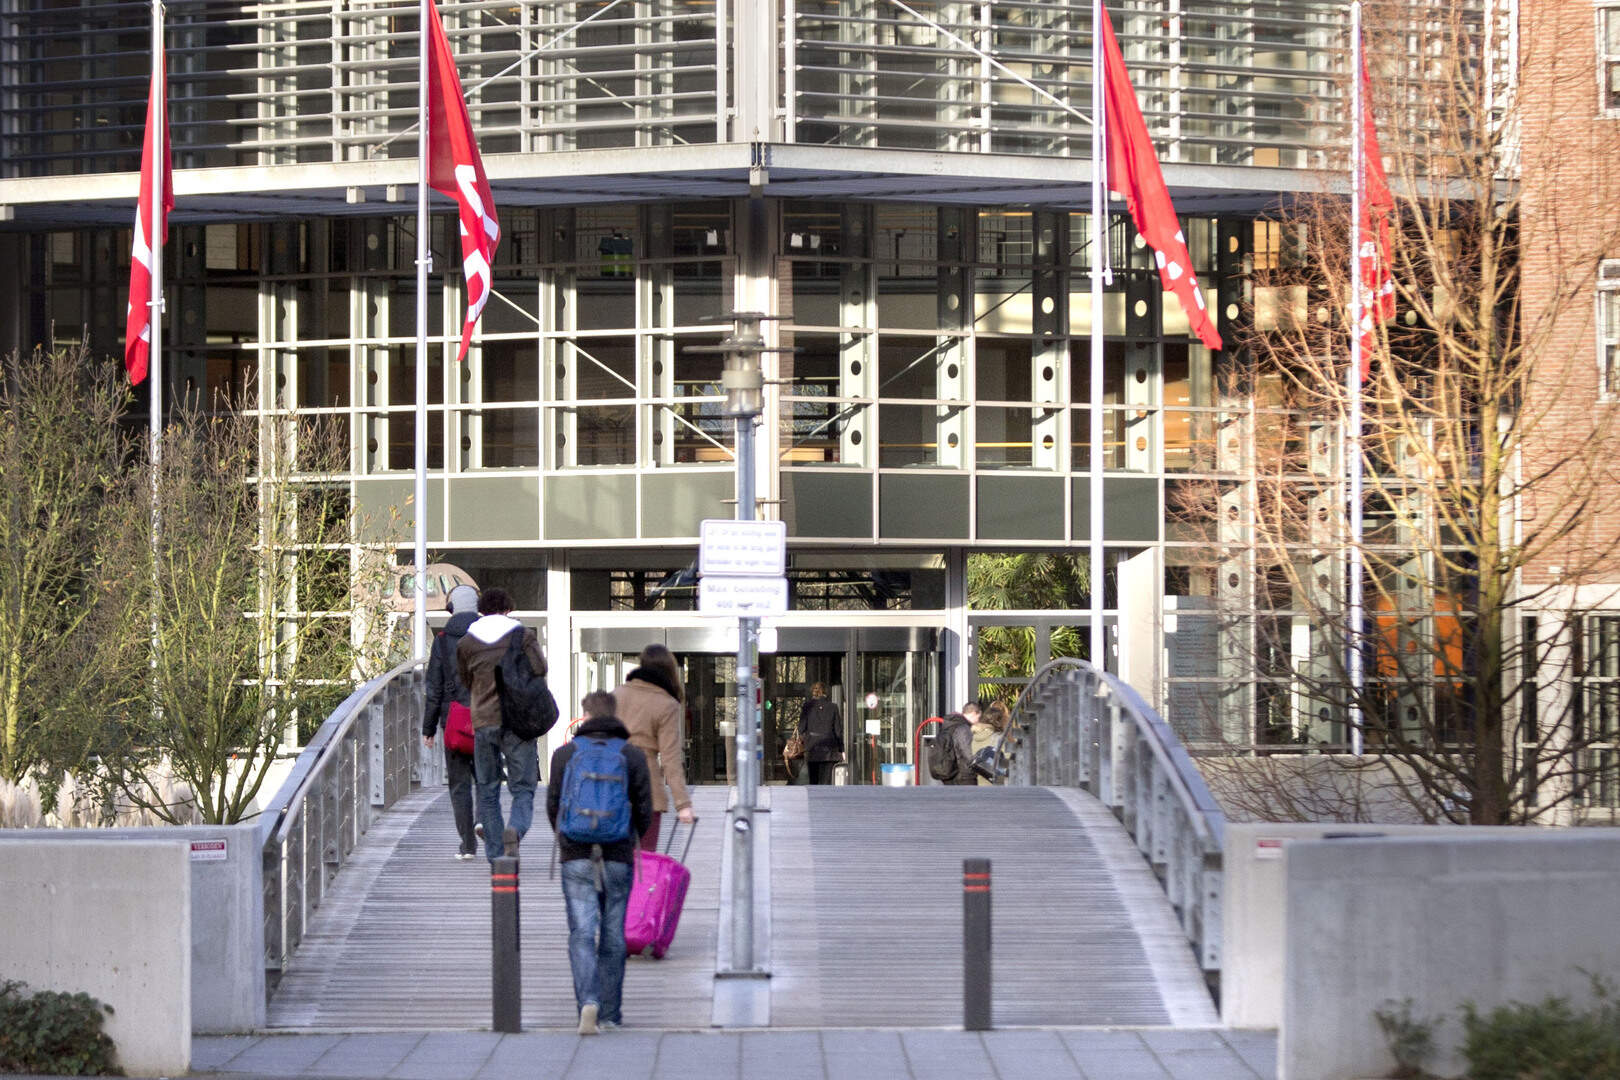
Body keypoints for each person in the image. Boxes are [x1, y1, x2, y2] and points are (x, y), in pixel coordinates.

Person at [547, 690, 652, 1035]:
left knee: (581, 932)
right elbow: (644, 807)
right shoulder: (632, 754)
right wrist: (629, 837)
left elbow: (553, 805)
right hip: (618, 854)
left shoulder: (565, 754)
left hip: (576, 853)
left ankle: (587, 1002)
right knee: (613, 933)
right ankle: (609, 1013)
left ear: (587, 715)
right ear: (614, 714)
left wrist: (567, 841)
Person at [456, 587, 547, 863]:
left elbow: (465, 679)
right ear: (508, 608)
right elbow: (540, 668)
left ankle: (496, 855)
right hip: (519, 720)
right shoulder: (523, 635)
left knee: (487, 789)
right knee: (523, 787)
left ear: (481, 610)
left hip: (484, 720)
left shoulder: (467, 642)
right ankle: (515, 830)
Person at [612, 644, 694, 850]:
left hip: (611, 780)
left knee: (614, 857)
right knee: (645, 860)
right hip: (646, 785)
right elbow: (670, 758)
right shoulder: (666, 703)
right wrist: (682, 804)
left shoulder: (616, 694)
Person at [422, 583, 480, 858]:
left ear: (451, 607)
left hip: (454, 722)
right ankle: (483, 820)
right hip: (486, 717)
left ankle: (467, 845)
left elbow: (434, 687)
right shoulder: (487, 635)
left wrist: (429, 728)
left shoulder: (443, 640)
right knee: (486, 779)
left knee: (459, 785)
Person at [798, 681, 845, 785]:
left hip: (812, 749)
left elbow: (801, 728)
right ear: (825, 692)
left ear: (813, 692)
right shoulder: (833, 707)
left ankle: (814, 795)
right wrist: (842, 749)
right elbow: (838, 731)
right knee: (826, 782)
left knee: (813, 781)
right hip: (829, 749)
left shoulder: (807, 707)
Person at [970, 700, 1009, 786]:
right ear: (1000, 721)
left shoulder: (975, 737)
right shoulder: (999, 738)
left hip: (981, 781)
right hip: (998, 783)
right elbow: (1008, 761)